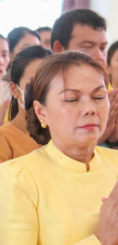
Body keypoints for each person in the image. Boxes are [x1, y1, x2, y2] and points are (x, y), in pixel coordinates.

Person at [0, 51, 118, 245]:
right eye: (72, 99)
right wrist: (100, 242)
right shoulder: (20, 175)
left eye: (99, 97)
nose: (90, 108)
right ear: (42, 112)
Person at [0, 45, 51, 186]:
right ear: (15, 90)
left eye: (50, 84)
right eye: (34, 83)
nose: (42, 90)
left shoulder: (64, 137)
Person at [51, 9, 118, 145]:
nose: (99, 56)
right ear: (59, 48)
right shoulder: (45, 93)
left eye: (103, 47)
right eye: (88, 47)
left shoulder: (111, 94)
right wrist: (98, 137)